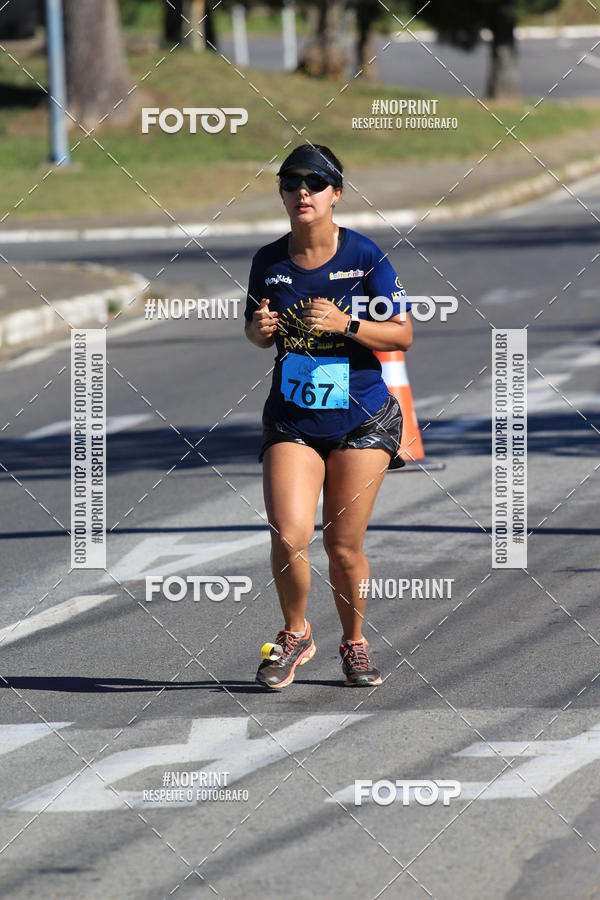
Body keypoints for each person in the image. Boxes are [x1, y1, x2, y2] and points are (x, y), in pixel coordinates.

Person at [244, 143, 412, 690]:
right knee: (288, 535)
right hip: (292, 419)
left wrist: (346, 323)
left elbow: (403, 334)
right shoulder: (268, 261)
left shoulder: (365, 257)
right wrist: (258, 332)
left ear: (336, 194)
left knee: (342, 546)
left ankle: (355, 644)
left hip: (361, 419)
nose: (302, 194)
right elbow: (252, 327)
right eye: (291, 184)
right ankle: (296, 634)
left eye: (315, 184)